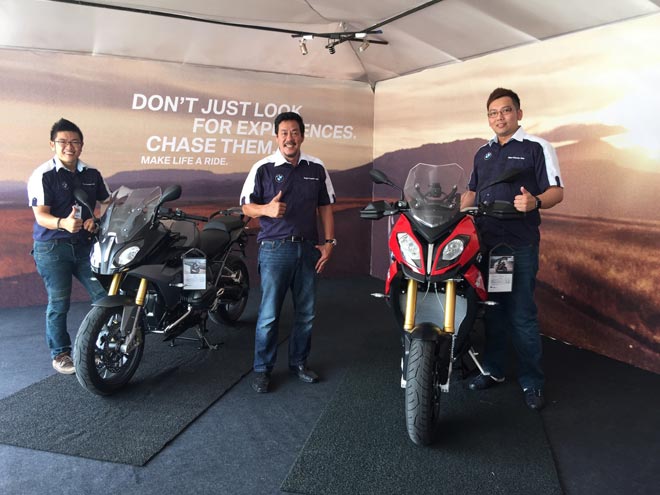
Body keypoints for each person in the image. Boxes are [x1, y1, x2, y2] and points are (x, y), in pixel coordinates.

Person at [460, 88, 564, 410]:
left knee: (521, 315)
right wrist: (452, 212)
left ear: (519, 113)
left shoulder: (537, 147)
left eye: (505, 111)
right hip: (488, 246)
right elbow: (471, 192)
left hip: (518, 245)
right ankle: (493, 370)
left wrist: (535, 201)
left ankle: (532, 381)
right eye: (493, 113)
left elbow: (556, 192)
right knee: (493, 311)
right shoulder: (483, 153)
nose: (499, 117)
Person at [240, 111, 336, 393]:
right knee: (269, 315)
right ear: (276, 137)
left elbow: (325, 207)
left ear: (302, 136)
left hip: (307, 250)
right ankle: (262, 369)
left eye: (294, 132)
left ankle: (299, 363)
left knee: (305, 313)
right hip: (274, 250)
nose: (289, 138)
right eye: (284, 133)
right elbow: (246, 206)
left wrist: (330, 242)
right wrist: (266, 209)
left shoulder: (316, 168)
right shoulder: (263, 168)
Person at [27, 118, 111, 375]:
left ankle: (103, 346)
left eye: (74, 142)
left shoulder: (91, 174)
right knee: (59, 302)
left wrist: (96, 222)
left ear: (81, 146)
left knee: (105, 297)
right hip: (52, 248)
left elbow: (108, 201)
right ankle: (61, 354)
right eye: (63, 142)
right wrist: (63, 223)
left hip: (85, 246)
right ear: (53, 144)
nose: (69, 147)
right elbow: (40, 215)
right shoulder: (43, 175)